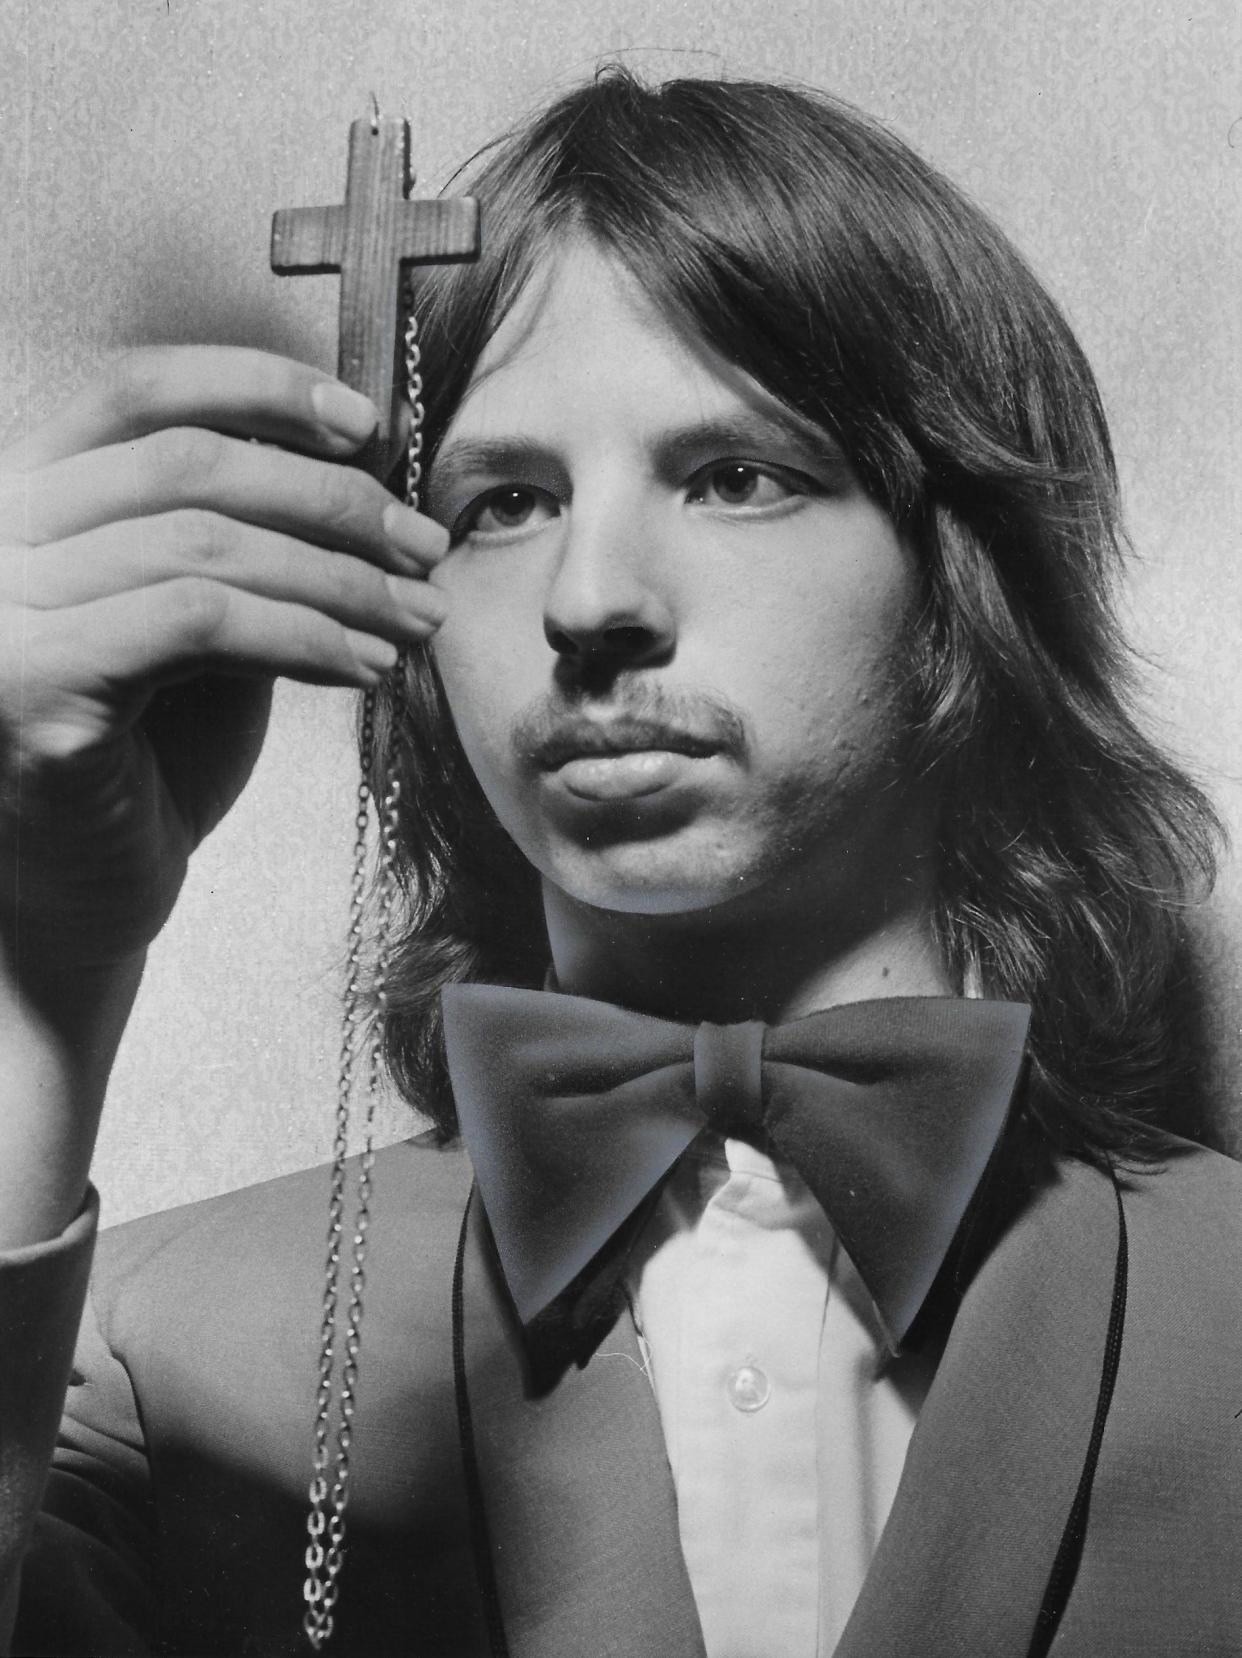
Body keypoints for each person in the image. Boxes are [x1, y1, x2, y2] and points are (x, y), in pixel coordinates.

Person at [1, 67, 1240, 1658]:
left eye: (735, 475)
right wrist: (48, 957)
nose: (590, 597)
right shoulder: (149, 1356)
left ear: (963, 586)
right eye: (504, 500)